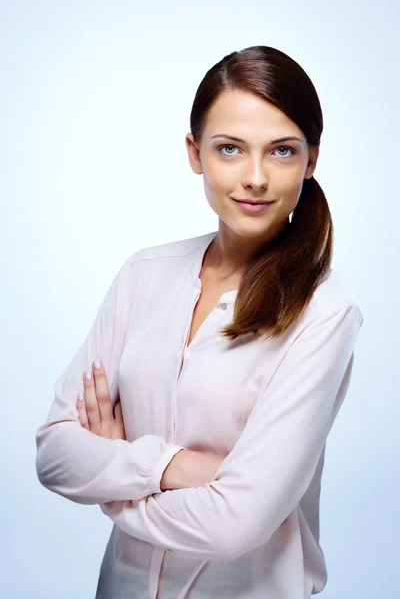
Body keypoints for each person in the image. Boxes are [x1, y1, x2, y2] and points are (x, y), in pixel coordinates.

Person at [35, 45, 364, 598]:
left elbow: (238, 523)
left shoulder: (325, 312)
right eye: (230, 149)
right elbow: (54, 454)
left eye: (282, 151)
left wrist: (115, 480)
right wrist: (181, 466)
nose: (255, 177)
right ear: (195, 153)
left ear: (311, 159)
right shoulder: (145, 274)